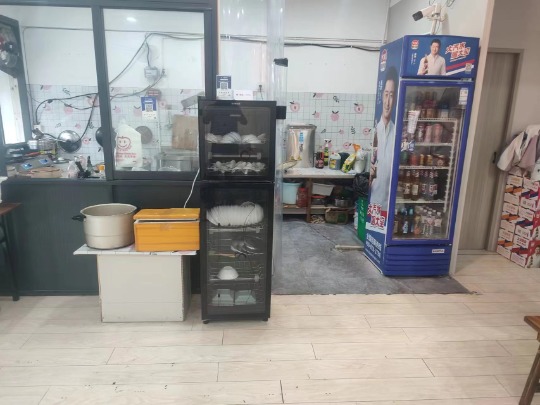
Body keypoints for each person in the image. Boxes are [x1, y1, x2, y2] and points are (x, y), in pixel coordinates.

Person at [370, 66, 398, 213]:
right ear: (382, 96)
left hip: (390, 205)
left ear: (396, 98)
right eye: (386, 94)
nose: (387, 102)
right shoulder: (374, 130)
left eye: (391, 96)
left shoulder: (397, 133)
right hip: (373, 203)